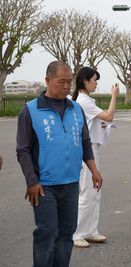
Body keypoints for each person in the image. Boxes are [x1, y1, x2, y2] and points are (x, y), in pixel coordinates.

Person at [16, 61, 102, 266]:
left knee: (66, 233)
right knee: (47, 233)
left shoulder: (76, 109)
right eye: (61, 81)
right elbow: (23, 150)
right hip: (44, 186)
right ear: (47, 80)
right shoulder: (31, 110)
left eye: (69, 82)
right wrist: (31, 181)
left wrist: (94, 170)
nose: (66, 86)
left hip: (71, 183)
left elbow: (85, 142)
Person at [71, 67, 119, 248]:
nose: (96, 83)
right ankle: (77, 233)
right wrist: (114, 95)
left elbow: (98, 121)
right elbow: (109, 116)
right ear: (85, 81)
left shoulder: (85, 100)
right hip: (87, 151)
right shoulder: (84, 101)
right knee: (86, 192)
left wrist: (103, 125)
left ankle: (91, 230)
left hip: (93, 149)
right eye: (94, 79)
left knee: (94, 191)